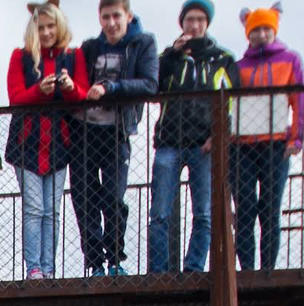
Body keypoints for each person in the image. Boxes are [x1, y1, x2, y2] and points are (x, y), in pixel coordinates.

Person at [69, 0, 158, 277]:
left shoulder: (142, 43)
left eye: (116, 16)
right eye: (105, 17)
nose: (110, 23)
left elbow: (149, 84)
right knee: (84, 199)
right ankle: (94, 262)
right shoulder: (89, 48)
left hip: (116, 131)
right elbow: (77, 80)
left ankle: (115, 258)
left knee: (113, 198)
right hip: (83, 130)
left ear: (128, 16)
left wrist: (111, 88)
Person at [148, 2, 236, 274]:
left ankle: (194, 267)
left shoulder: (222, 58)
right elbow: (153, 84)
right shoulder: (170, 57)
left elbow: (233, 100)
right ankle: (159, 271)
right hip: (169, 142)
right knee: (160, 213)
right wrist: (173, 54)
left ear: (207, 23)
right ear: (182, 23)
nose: (194, 25)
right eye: (189, 20)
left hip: (204, 144)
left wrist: (220, 134)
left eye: (199, 19)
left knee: (204, 214)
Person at [6, 3, 89, 280]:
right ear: (34, 28)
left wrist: (69, 88)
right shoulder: (21, 57)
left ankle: (48, 268)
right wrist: (39, 92)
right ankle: (34, 269)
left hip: (59, 143)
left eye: (51, 26)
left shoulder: (73, 56)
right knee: (34, 208)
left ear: (59, 26)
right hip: (27, 142)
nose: (46, 32)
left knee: (52, 210)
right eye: (41, 27)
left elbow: (83, 94)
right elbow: (16, 97)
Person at [231, 4, 303, 270]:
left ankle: (268, 269)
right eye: (256, 29)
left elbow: (299, 101)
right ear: (247, 32)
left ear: (274, 30)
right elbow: (228, 107)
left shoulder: (290, 60)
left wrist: (296, 138)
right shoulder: (238, 66)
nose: (261, 34)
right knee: (246, 210)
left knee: (270, 210)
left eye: (266, 29)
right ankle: (247, 269)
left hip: (275, 144)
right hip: (242, 147)